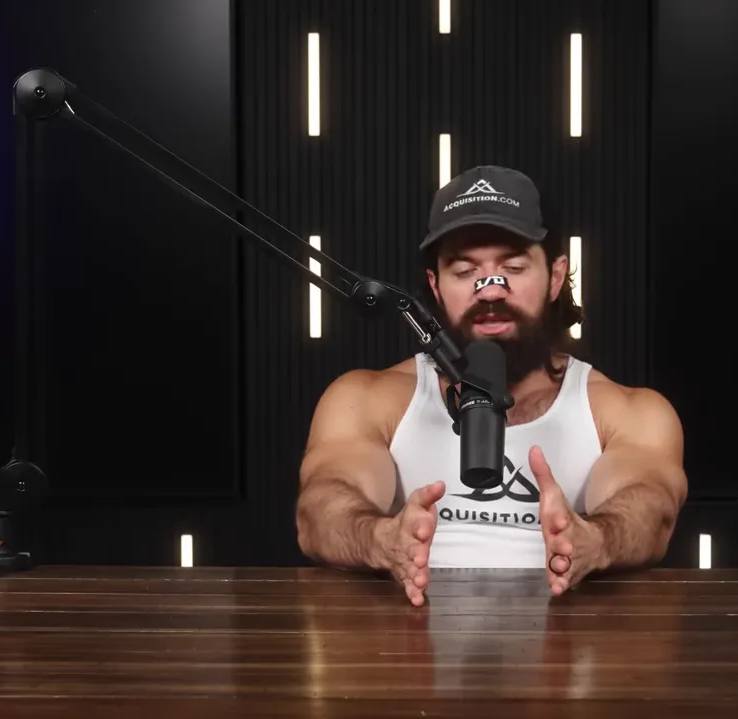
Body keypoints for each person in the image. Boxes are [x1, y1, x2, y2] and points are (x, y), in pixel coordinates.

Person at [295, 165, 688, 605]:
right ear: (435, 287)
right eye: (464, 271)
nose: (490, 290)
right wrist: (379, 539)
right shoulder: (366, 399)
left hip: (565, 653)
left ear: (556, 277)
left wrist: (596, 540)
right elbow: (320, 510)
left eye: (514, 267)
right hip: (406, 654)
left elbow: (651, 508)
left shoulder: (628, 412)